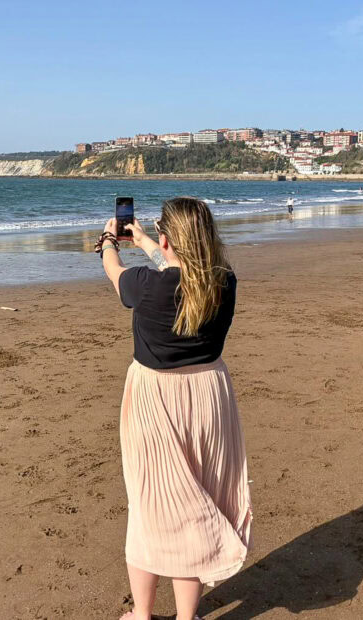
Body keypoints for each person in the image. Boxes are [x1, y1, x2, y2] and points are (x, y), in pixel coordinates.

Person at [95, 197, 251, 620]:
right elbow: (184, 272)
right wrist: (147, 240)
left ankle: (142, 615)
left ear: (168, 241)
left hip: (156, 398)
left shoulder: (148, 285)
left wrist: (110, 239)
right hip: (208, 397)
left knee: (150, 506)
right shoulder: (225, 281)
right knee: (197, 502)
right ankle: (186, 618)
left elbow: (115, 273)